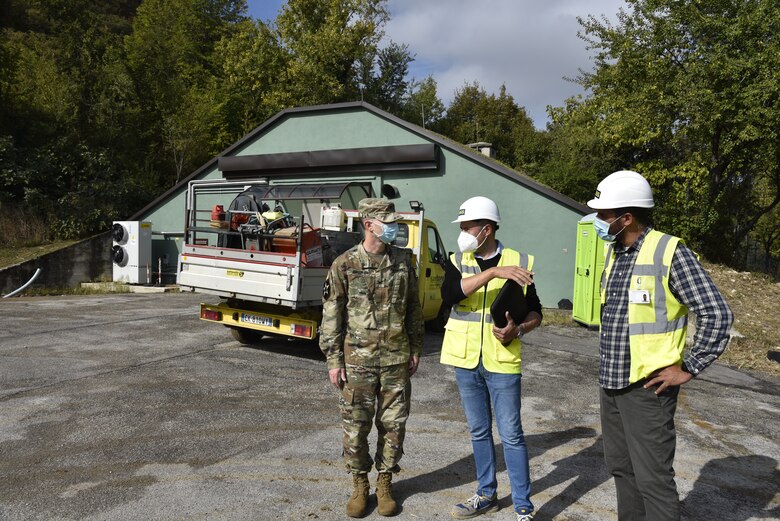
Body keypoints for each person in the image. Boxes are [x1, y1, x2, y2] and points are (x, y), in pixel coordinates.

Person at [587, 170, 733, 521]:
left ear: (626, 218)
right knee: (622, 470)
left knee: (653, 480)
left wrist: (689, 367)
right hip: (612, 382)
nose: (597, 220)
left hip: (648, 389)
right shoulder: (614, 254)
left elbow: (717, 313)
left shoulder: (670, 251)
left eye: (604, 215)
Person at [320, 197, 424, 518]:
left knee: (393, 425)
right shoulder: (344, 265)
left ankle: (385, 482)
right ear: (369, 225)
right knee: (356, 425)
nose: (394, 227)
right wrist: (334, 360)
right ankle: (359, 483)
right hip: (357, 362)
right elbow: (331, 316)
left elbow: (413, 310)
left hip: (395, 360)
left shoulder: (405, 262)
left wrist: (416, 348)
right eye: (388, 222)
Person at [440, 196, 542, 521]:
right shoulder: (457, 259)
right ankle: (486, 494)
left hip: (502, 361)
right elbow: (451, 294)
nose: (463, 233)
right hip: (466, 360)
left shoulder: (520, 260)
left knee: (511, 434)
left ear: (486, 229)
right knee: (479, 431)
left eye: (468, 227)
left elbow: (537, 311)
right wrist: (495, 272)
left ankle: (524, 506)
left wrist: (519, 330)